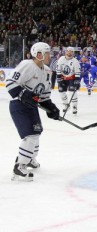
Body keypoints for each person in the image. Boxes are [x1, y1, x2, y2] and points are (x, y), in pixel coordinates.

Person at [6, 42, 60, 181]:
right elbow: (11, 83)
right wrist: (24, 95)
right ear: (39, 54)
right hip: (19, 105)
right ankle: (19, 166)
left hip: (31, 106)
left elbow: (44, 96)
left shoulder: (47, 71)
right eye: (47, 53)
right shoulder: (28, 65)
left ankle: (29, 158)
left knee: (36, 132)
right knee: (30, 136)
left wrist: (51, 108)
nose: (50, 56)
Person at [56, 47, 81, 114]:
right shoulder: (61, 59)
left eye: (71, 51)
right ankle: (66, 105)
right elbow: (58, 68)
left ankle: (74, 106)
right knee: (61, 92)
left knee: (72, 93)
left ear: (73, 53)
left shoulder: (75, 61)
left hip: (72, 79)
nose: (69, 53)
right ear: (65, 52)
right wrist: (58, 77)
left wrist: (77, 80)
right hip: (63, 78)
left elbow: (77, 71)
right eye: (68, 51)